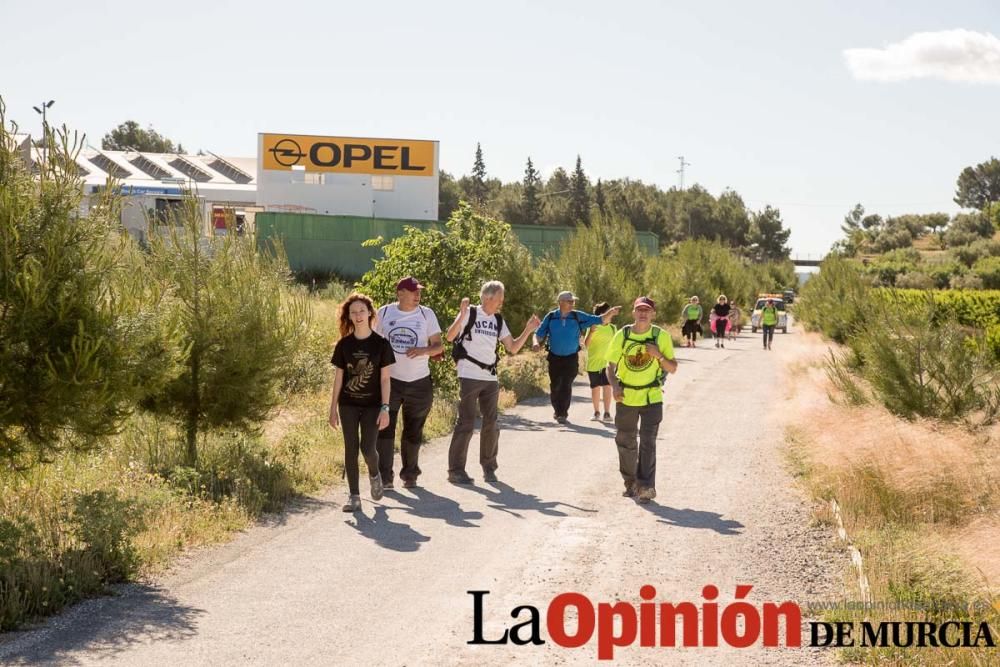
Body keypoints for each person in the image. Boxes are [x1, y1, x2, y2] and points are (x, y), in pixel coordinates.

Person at [445, 281, 540, 484]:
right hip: (469, 375)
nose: (501, 302)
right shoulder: (469, 313)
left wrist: (528, 330)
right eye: (500, 298)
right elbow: (450, 336)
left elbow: (512, 347)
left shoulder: (497, 320)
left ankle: (489, 468)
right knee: (466, 423)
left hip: (490, 378)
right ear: (488, 297)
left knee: (491, 424)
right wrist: (461, 315)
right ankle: (455, 471)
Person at [606, 296, 678, 504]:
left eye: (647, 310)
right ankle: (631, 483)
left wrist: (658, 356)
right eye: (640, 310)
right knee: (626, 441)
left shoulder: (660, 336)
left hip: (651, 397)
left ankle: (646, 486)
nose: (643, 313)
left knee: (648, 442)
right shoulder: (623, 334)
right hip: (626, 396)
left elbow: (672, 368)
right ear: (633, 313)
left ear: (653, 314)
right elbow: (609, 366)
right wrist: (615, 386)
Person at [374, 277, 444, 490]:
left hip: (419, 382)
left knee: (414, 429)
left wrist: (423, 351)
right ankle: (385, 477)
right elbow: (373, 344)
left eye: (419, 292)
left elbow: (438, 346)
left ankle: (410, 475)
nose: (417, 295)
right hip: (390, 381)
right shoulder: (384, 313)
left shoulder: (426, 314)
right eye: (413, 291)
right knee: (385, 428)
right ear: (400, 293)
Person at [328, 293, 396, 513]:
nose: (358, 315)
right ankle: (354, 496)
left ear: (370, 313)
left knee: (368, 448)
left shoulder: (381, 344)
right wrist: (332, 410)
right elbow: (339, 378)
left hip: (372, 405)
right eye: (353, 312)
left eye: (362, 311)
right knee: (351, 448)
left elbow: (385, 379)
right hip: (347, 404)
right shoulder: (344, 345)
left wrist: (385, 408)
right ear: (349, 316)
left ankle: (375, 473)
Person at [532, 291, 621, 424]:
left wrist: (610, 313)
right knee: (555, 385)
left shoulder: (577, 316)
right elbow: (538, 333)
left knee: (566, 384)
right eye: (570, 301)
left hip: (571, 357)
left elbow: (597, 319)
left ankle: (563, 413)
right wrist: (535, 343)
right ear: (561, 302)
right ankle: (557, 410)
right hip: (554, 357)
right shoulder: (551, 317)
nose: (573, 303)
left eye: (573, 301)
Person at [583, 302, 618, 421]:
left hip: (608, 364)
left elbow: (616, 346)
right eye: (609, 313)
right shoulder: (593, 326)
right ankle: (596, 412)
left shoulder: (613, 328)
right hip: (593, 363)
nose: (611, 315)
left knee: (608, 387)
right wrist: (592, 332)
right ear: (603, 314)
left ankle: (607, 413)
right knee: (595, 388)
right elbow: (586, 345)